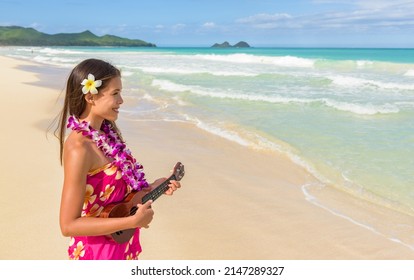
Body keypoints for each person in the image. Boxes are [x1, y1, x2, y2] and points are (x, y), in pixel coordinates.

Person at [56, 58, 181, 260]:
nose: (121, 100)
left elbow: (117, 202)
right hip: (97, 254)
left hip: (121, 247)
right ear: (90, 96)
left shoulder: (107, 137)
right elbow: (68, 225)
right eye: (115, 93)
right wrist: (131, 222)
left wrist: (152, 187)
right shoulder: (79, 148)